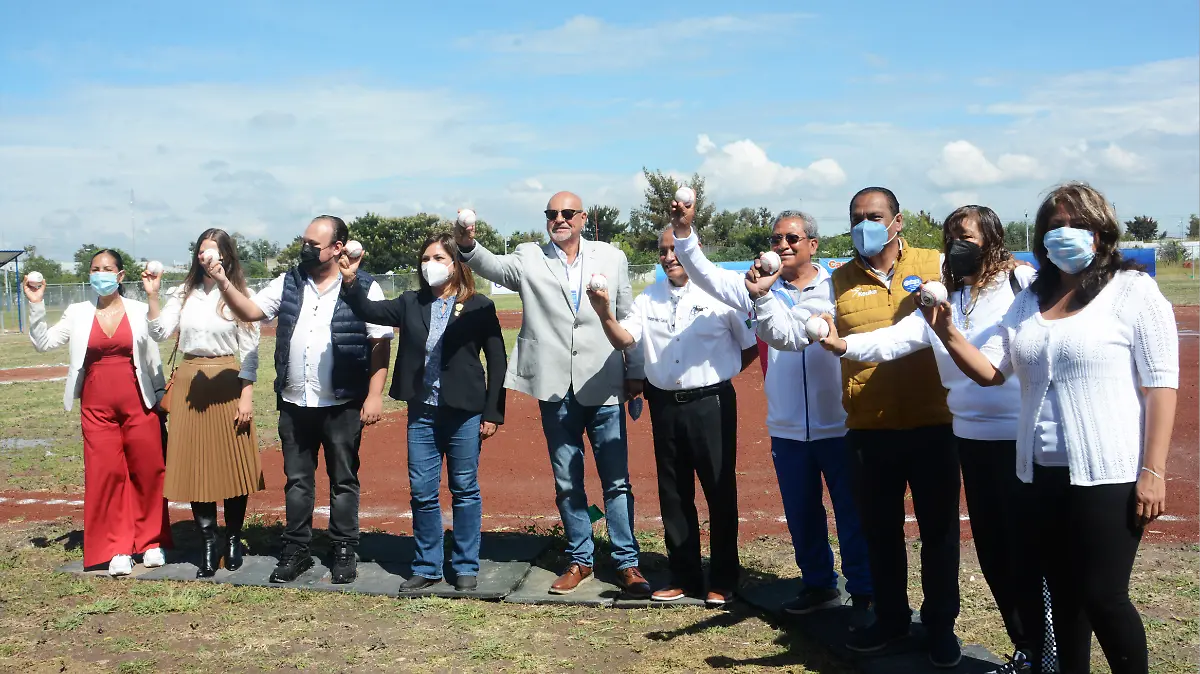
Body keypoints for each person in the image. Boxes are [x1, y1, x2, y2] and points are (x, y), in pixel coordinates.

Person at [927, 182, 1177, 674]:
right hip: (1038, 473)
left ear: (1101, 231)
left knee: (1103, 597)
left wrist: (1154, 470)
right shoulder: (1032, 300)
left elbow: (1161, 386)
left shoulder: (1133, 291)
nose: (1065, 234)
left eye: (1076, 224)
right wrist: (946, 330)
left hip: (1108, 474)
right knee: (1063, 600)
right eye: (1054, 226)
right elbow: (991, 371)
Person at [811, 205, 1048, 672]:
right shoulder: (951, 299)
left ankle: (1047, 652)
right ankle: (1027, 650)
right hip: (969, 439)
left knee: (1027, 553)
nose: (956, 244)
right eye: (950, 237)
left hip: (1019, 442)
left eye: (967, 236)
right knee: (995, 553)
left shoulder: (1019, 288)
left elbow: (993, 372)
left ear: (993, 240)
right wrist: (843, 346)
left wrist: (1019, 275)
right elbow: (895, 339)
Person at [755, 187, 962, 666]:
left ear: (897, 221)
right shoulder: (839, 279)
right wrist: (764, 301)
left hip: (935, 423)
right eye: (856, 217)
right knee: (881, 534)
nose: (864, 224)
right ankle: (890, 620)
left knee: (939, 535)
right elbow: (792, 335)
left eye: (873, 216)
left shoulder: (935, 264)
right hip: (869, 427)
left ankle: (940, 626)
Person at [670, 205, 874, 615]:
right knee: (801, 514)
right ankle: (818, 585)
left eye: (792, 239)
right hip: (786, 427)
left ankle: (865, 590)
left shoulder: (839, 287)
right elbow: (702, 270)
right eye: (776, 239)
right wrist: (684, 230)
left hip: (840, 423)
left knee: (852, 513)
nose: (781, 245)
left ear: (813, 245)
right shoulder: (754, 287)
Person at [454, 192, 651, 598]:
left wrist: (636, 374)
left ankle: (627, 563)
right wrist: (467, 242)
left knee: (616, 481)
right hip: (554, 387)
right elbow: (489, 263)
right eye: (551, 214)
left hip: (604, 381)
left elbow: (629, 318)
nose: (558, 219)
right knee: (567, 481)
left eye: (566, 213)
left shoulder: (612, 258)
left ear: (582, 218)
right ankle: (580, 559)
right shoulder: (529, 256)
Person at [205, 215, 393, 585]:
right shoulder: (288, 281)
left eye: (314, 244)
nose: (305, 248)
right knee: (297, 481)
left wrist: (374, 395)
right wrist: (223, 282)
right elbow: (251, 312)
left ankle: (343, 548)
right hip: (295, 401)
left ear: (338, 248)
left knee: (343, 479)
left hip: (342, 403)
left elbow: (380, 343)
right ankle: (297, 549)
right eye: (303, 241)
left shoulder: (364, 286)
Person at [587, 228, 757, 606]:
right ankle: (684, 575)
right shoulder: (649, 297)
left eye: (674, 249)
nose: (668, 257)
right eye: (662, 251)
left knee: (718, 489)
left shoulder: (720, 294)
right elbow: (624, 338)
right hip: (663, 403)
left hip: (710, 403)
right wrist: (603, 313)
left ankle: (725, 577)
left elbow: (748, 349)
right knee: (674, 493)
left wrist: (714, 378)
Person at [338, 231, 507, 593]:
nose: (430, 265)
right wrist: (350, 278)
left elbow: (497, 359)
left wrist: (493, 412)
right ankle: (427, 565)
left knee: (464, 489)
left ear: (457, 264)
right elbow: (368, 310)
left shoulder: (479, 306)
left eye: (439, 258)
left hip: (464, 412)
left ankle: (464, 565)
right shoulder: (410, 302)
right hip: (423, 413)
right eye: (426, 259)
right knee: (423, 492)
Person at [24, 249, 172, 576]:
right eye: (95, 269)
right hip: (96, 404)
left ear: (120, 276)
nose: (100, 274)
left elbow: (153, 357)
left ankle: (150, 541)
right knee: (106, 473)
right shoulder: (77, 312)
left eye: (107, 269)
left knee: (149, 470)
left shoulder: (137, 310)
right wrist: (36, 304)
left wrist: (161, 397)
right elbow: (43, 342)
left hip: (139, 399)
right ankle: (118, 545)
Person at [144, 229, 265, 578]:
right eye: (200, 252)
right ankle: (208, 542)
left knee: (233, 465)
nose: (205, 257)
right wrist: (153, 296)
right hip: (190, 383)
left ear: (226, 256)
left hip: (228, 379)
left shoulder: (240, 295)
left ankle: (233, 539)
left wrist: (246, 395)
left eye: (212, 251)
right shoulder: (183, 293)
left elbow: (251, 350)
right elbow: (159, 333)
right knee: (197, 466)